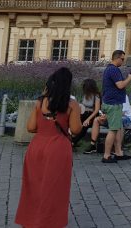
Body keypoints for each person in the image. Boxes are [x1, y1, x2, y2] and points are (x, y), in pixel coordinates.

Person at [14, 66, 82, 228]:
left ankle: (30, 220)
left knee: (33, 186)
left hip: (37, 146)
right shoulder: (72, 104)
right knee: (54, 188)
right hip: (58, 147)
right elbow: (76, 129)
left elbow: (30, 127)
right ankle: (50, 222)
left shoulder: (40, 101)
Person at [100, 50, 131, 164]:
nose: (123, 61)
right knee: (113, 130)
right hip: (113, 104)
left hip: (113, 103)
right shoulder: (113, 70)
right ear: (117, 58)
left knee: (118, 128)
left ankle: (119, 153)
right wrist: (130, 77)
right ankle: (106, 155)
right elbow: (120, 85)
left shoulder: (110, 69)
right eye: (123, 59)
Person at [72, 78, 101, 151]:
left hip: (92, 115)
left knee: (83, 127)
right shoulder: (86, 94)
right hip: (84, 113)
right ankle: (73, 140)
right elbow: (83, 105)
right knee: (76, 124)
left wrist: (88, 119)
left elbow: (97, 109)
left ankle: (72, 142)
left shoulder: (96, 95)